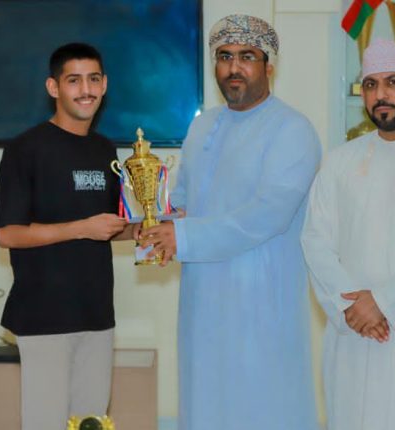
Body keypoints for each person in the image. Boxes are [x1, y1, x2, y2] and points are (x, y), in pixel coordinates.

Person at [141, 14, 320, 430]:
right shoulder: (202, 125)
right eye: (224, 57)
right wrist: (155, 225)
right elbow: (184, 200)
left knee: (261, 406)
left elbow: (267, 214)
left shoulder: (292, 130)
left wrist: (182, 236)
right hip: (201, 301)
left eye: (246, 56)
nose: (233, 67)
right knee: (204, 401)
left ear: (269, 66)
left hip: (260, 302)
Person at [301, 38, 395, 430]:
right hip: (354, 332)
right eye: (370, 84)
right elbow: (315, 240)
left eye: (393, 82)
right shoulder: (339, 161)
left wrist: (385, 302)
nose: (380, 95)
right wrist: (349, 306)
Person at [0, 42, 133, 430]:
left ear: (104, 85)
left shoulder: (105, 149)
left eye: (93, 79)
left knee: (90, 423)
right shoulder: (25, 149)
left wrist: (154, 228)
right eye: (74, 80)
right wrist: (82, 228)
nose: (85, 90)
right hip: (44, 316)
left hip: (97, 315)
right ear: (54, 87)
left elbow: (110, 225)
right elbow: (7, 233)